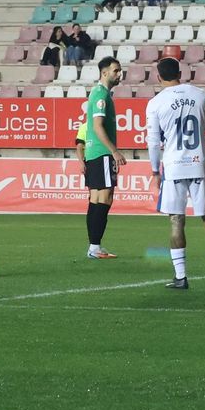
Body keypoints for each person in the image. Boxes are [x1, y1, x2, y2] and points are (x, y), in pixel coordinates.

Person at [146, 57, 205, 290]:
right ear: (180, 73)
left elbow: (153, 142)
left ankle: (181, 277)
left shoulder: (156, 103)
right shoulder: (199, 94)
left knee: (176, 220)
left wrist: (155, 170)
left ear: (158, 77)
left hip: (173, 167)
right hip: (198, 164)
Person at [82, 56, 125, 260]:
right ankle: (95, 246)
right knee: (105, 198)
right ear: (104, 72)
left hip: (93, 153)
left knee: (96, 198)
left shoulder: (98, 93)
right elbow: (98, 126)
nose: (119, 74)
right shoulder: (101, 94)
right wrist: (114, 151)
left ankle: (94, 246)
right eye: (116, 70)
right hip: (102, 152)